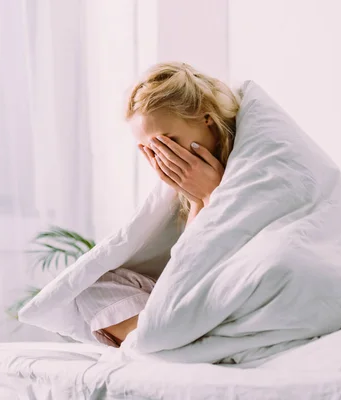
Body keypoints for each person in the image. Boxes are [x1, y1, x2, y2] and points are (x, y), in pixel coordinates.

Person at [75, 61, 241, 347]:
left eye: (169, 141)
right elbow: (184, 265)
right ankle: (169, 336)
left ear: (206, 118)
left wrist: (213, 195)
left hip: (230, 287)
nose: (164, 158)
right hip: (187, 299)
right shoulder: (188, 183)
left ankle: (165, 338)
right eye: (150, 150)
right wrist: (198, 200)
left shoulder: (249, 159)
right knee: (93, 289)